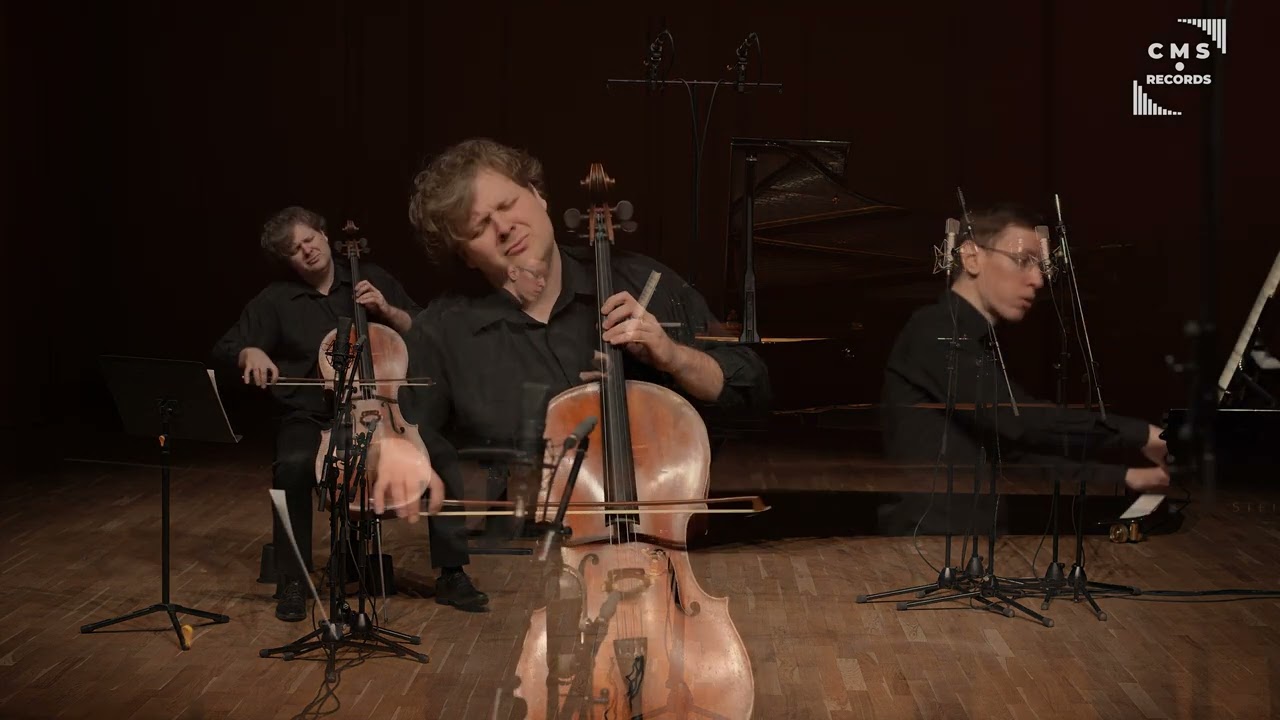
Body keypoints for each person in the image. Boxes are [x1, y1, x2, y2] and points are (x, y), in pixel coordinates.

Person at [362, 137, 772, 611]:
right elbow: (393, 425)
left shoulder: (643, 284)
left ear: (538, 195)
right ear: (466, 254)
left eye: (507, 205)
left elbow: (752, 388)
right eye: (479, 227)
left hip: (659, 570)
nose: (503, 228)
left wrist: (673, 357)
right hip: (518, 588)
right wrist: (389, 448)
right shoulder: (443, 331)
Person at [880, 203, 1170, 515]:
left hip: (972, 532)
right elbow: (1019, 421)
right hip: (930, 539)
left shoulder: (971, 339)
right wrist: (1141, 435)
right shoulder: (934, 331)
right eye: (1023, 261)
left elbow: (1011, 457)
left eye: (1040, 265)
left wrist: (1127, 476)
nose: (1038, 280)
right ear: (972, 257)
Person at [211, 206, 423, 622]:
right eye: (295, 249)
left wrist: (387, 310)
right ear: (287, 260)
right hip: (308, 414)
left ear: (324, 236)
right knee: (291, 467)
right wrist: (248, 351)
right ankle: (293, 580)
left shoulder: (369, 279)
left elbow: (421, 326)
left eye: (309, 239)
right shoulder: (276, 299)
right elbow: (224, 348)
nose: (306, 250)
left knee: (435, 455)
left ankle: (449, 574)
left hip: (373, 411)